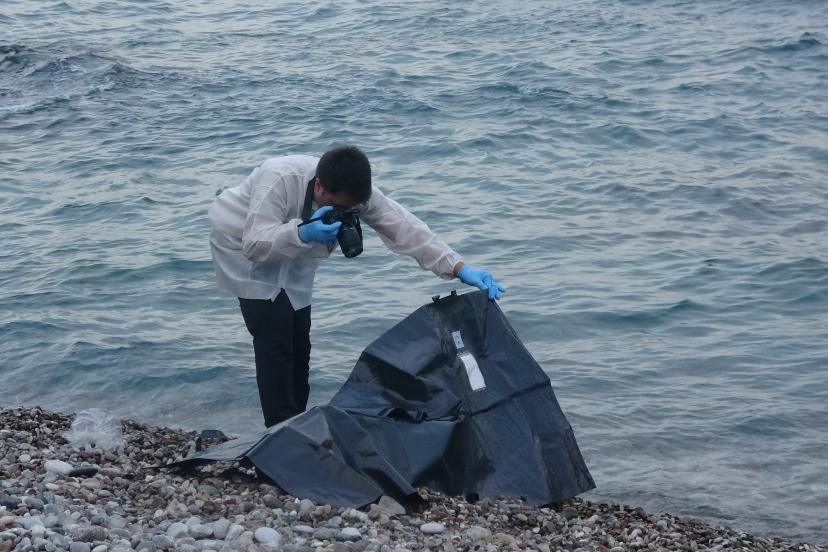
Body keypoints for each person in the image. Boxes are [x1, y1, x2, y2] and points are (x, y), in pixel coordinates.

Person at [208, 146, 504, 427]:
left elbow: (406, 228)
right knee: (274, 336)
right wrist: (303, 232)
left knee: (299, 338)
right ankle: (280, 431)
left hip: (296, 249)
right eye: (338, 207)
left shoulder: (356, 195)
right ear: (319, 185)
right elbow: (255, 244)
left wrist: (458, 267)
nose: (344, 212)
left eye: (351, 209)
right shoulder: (280, 178)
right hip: (240, 243)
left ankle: (296, 422)